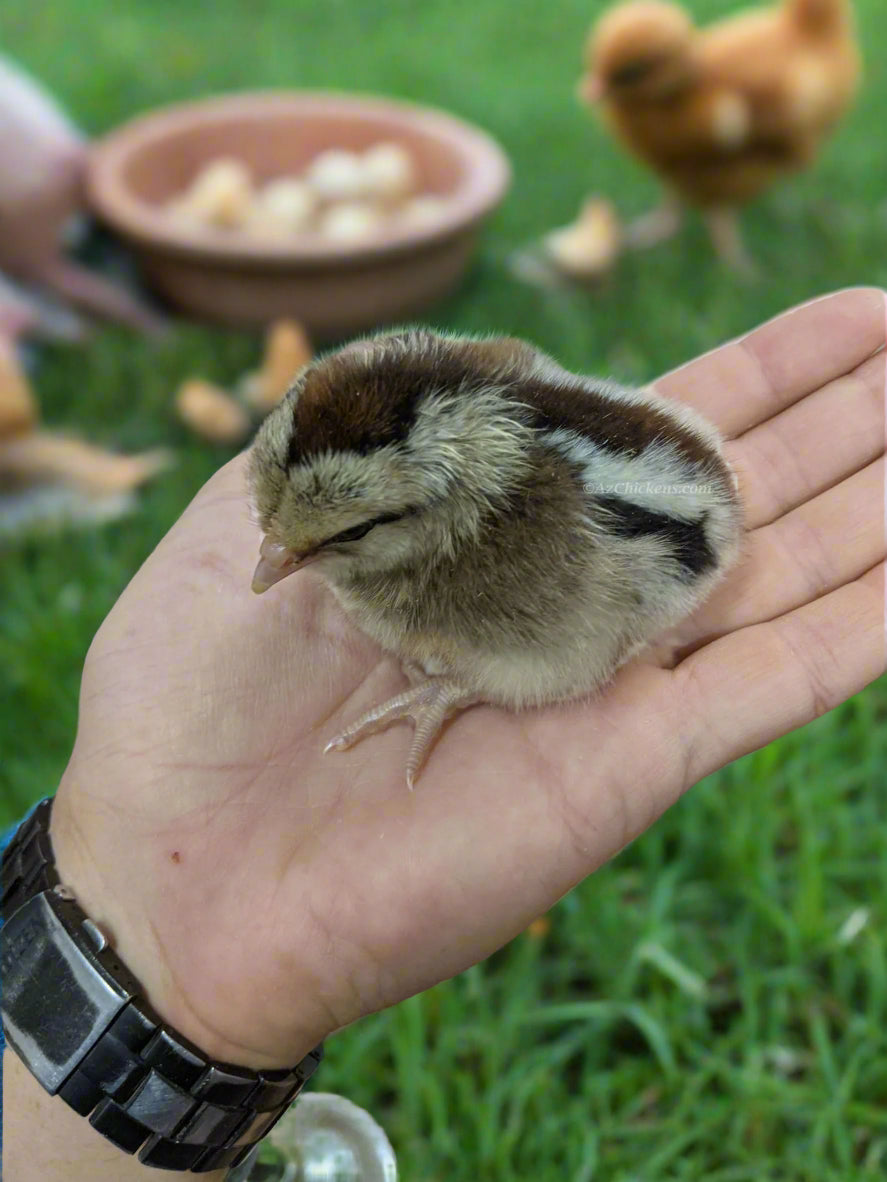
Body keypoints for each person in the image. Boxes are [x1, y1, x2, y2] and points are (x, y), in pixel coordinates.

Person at [4, 288, 885, 1180]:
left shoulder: (497, 554)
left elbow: (571, 628)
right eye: (274, 527)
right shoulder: (423, 484)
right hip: (632, 488)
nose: (272, 564)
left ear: (425, 519)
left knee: (537, 640)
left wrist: (458, 678)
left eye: (324, 540)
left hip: (621, 549)